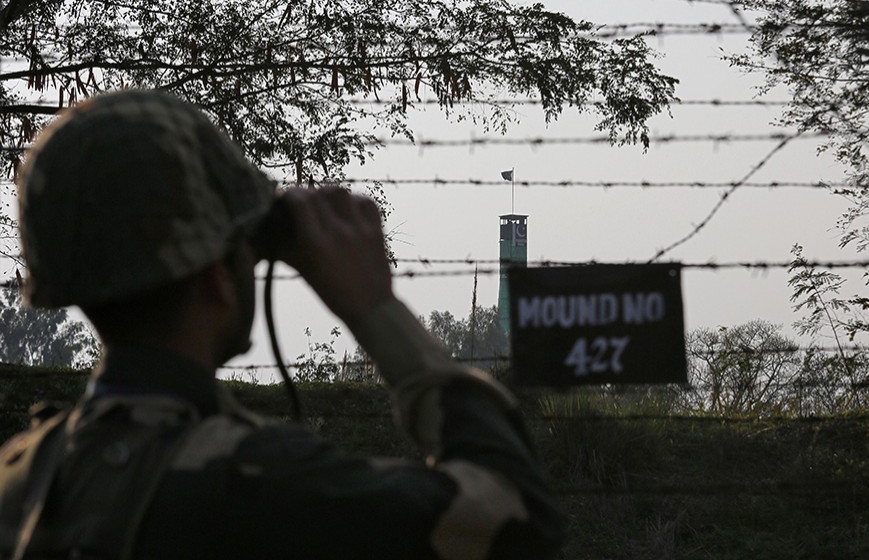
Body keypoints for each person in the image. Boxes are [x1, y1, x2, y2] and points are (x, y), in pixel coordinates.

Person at [0, 90, 564, 559]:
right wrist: (373, 308)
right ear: (219, 279)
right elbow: (518, 521)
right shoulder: (262, 484)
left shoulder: (21, 478)